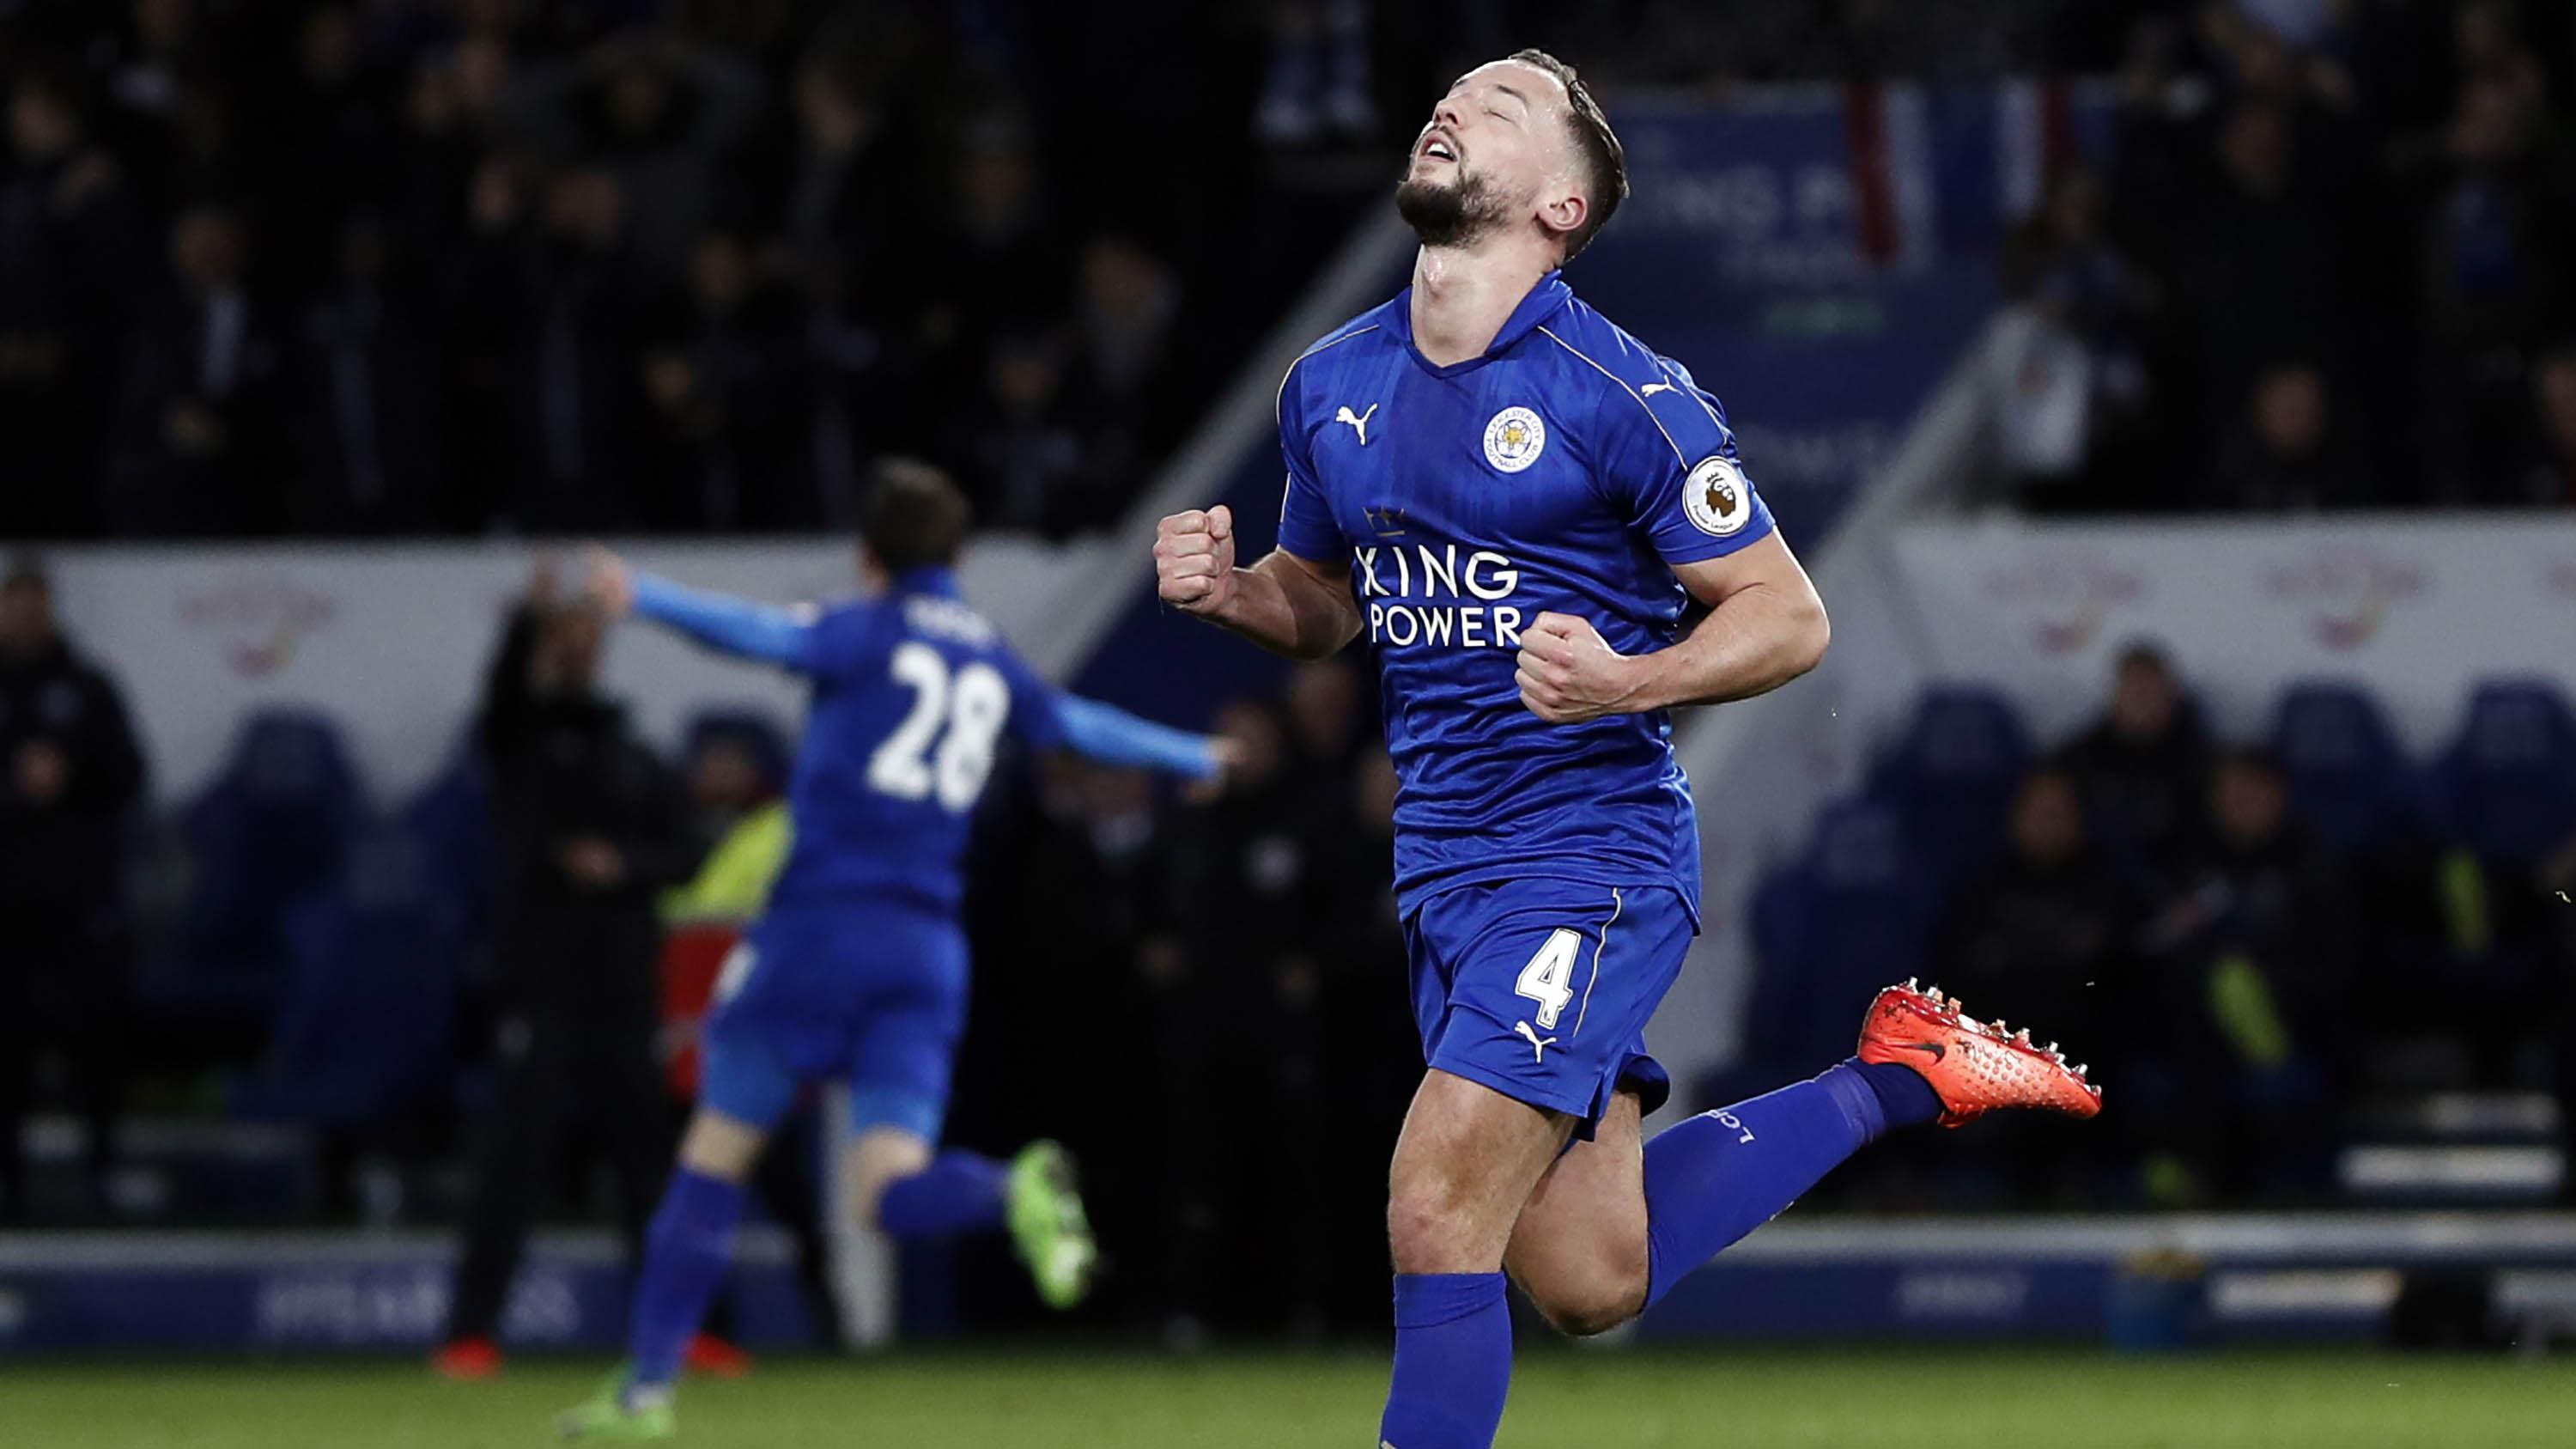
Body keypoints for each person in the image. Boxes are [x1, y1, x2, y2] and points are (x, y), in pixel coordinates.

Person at [1151, 51, 2103, 1449]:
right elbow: (1329, 601)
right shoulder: (1329, 384)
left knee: (1432, 1202)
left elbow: (1791, 615)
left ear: (1560, 204)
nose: (1455, 106)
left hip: (1592, 859)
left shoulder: (1623, 392)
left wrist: (1629, 677)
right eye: (1455, 93)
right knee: (1591, 1277)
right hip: (1446, 878)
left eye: (1504, 106)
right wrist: (1241, 595)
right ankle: (1904, 1069)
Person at [559, 460, 1233, 1440]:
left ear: (869, 557)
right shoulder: (990, 657)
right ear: (955, 558)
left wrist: (642, 593)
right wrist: (1194, 755)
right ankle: (1010, 1187)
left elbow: (758, 635)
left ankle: (647, 1395)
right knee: (887, 1189)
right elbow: (1077, 724)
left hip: (816, 934)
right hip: (924, 952)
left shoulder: (863, 626)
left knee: (712, 1163)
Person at [433, 561, 701, 1381]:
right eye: (564, 635)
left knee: (648, 1165)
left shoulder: (634, 749)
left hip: (622, 983)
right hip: (539, 979)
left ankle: (683, 1333)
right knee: (515, 1163)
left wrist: (623, 864)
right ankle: (472, 1332)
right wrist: (530, 613)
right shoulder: (516, 737)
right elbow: (505, 692)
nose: (578, 647)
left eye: (589, 634)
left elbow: (685, 856)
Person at [0, 559, 146, 1222]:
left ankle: (102, 1169)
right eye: (15, 602)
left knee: (93, 1040)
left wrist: (70, 769)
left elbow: (130, 775)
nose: (27, 613)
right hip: (7, 905)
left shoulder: (89, 687)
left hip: (80, 900)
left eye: (36, 601)